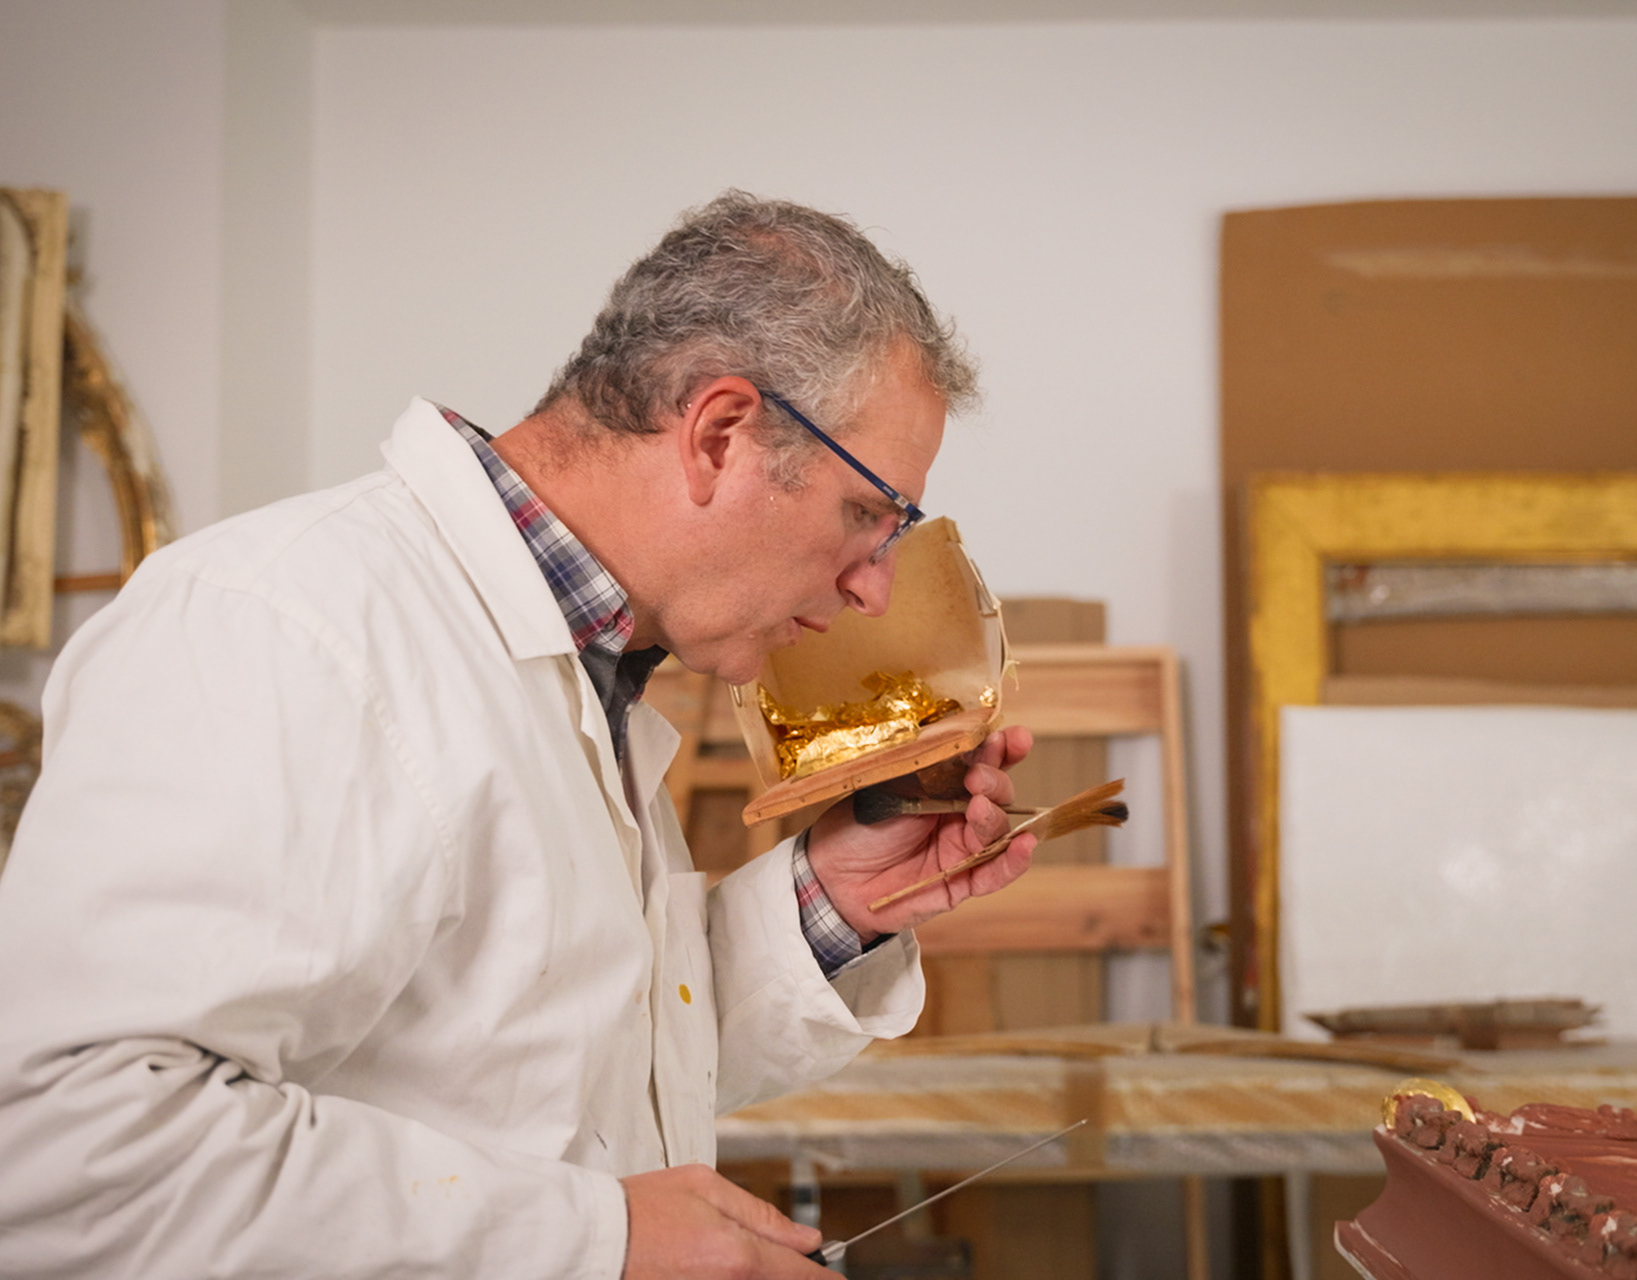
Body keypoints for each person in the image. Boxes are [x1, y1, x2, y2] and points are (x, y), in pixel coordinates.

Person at [0, 192, 1036, 1279]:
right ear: (719, 435)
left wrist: (831, 902)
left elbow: (564, 1068)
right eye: (868, 514)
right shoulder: (279, 624)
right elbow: (69, 1146)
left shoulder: (592, 664)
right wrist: (600, 1239)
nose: (874, 587)